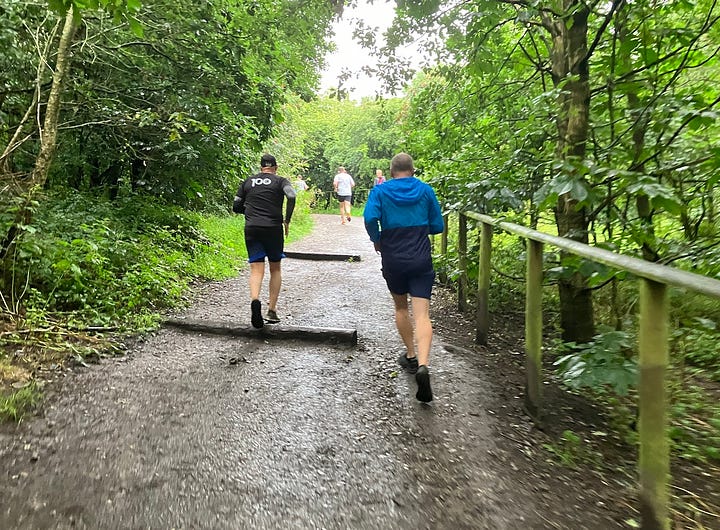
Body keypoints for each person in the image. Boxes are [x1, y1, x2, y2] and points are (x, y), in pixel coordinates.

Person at [363, 153, 444, 402]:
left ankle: (410, 355)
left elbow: (369, 218)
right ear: (413, 170)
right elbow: (437, 225)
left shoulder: (380, 192)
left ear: (391, 170)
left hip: (394, 258)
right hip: (420, 258)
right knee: (422, 314)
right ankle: (423, 364)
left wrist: (377, 239)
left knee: (400, 307)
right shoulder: (425, 190)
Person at [233, 154, 296, 328]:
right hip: (273, 228)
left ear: (261, 168)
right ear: (275, 167)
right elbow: (291, 196)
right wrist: (287, 220)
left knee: (256, 268)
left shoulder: (248, 181)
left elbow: (236, 205)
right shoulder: (280, 181)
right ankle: (272, 310)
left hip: (252, 228)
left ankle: (255, 301)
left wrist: (249, 211)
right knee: (275, 267)